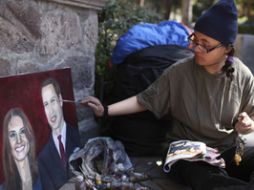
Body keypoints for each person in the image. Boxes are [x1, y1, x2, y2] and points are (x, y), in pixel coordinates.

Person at [82, 0, 254, 189]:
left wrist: (248, 124)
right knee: (201, 174)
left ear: (227, 49)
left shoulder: (243, 75)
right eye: (195, 39)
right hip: (185, 153)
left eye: (206, 45)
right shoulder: (179, 72)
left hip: (227, 152)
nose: (196, 48)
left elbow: (251, 117)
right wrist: (104, 110)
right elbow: (144, 100)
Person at [38, 77, 80, 190]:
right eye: (46, 104)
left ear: (60, 100)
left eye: (53, 101)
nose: (50, 111)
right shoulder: (42, 157)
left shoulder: (78, 136)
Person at [2, 107, 42, 190]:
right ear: (7, 143)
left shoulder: (46, 170)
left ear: (29, 136)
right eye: (13, 135)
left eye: (22, 132)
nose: (19, 140)